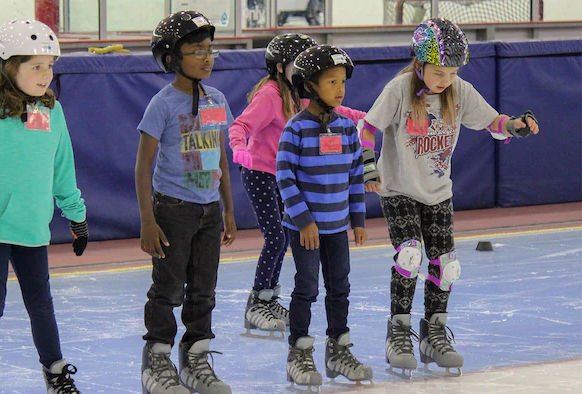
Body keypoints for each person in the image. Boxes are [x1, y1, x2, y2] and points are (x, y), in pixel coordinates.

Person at [360, 18, 540, 377]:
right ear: (420, 64)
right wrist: (369, 166)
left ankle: (434, 333)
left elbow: (492, 121)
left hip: (439, 192)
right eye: (439, 73)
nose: (446, 80)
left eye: (453, 73)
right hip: (399, 190)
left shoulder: (460, 92)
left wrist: (515, 126)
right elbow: (368, 127)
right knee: (410, 255)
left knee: (446, 265)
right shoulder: (399, 90)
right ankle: (398, 331)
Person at [0, 18, 88, 394]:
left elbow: (63, 171)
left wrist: (77, 217)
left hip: (32, 228)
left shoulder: (52, 113)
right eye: (36, 67)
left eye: (50, 66)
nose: (46, 75)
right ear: (8, 68)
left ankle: (56, 372)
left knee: (41, 304)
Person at [229, 33, 368, 337]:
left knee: (285, 237)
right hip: (261, 173)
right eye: (299, 64)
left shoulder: (302, 96)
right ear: (280, 68)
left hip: (289, 175)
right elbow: (240, 125)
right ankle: (257, 302)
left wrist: (370, 118)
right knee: (277, 238)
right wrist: (239, 148)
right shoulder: (269, 95)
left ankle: (269, 297)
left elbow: (342, 113)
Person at [135, 10, 236, 394]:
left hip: (209, 211)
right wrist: (148, 220)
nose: (207, 57)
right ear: (172, 59)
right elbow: (143, 166)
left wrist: (228, 208)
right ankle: (156, 361)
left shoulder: (217, 99)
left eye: (210, 49)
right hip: (173, 210)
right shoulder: (162, 104)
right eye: (197, 51)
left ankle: (195, 358)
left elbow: (221, 157)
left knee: (203, 290)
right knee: (168, 289)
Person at [277, 45, 373, 389]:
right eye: (331, 81)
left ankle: (338, 349)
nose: (340, 88)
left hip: (337, 227)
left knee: (340, 287)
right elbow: (284, 176)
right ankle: (299, 351)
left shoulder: (348, 129)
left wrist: (358, 221)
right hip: (306, 230)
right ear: (309, 86)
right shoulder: (296, 129)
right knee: (306, 286)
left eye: (342, 81)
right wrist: (304, 221)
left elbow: (355, 177)